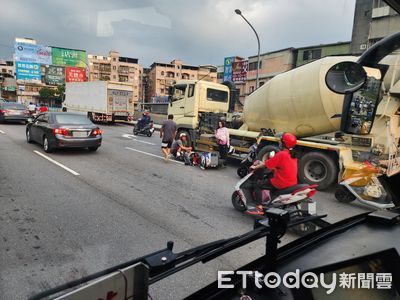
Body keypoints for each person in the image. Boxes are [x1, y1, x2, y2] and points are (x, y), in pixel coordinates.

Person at [247, 132, 298, 215]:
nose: (279, 142)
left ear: (284, 143)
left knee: (258, 185)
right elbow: (284, 167)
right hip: (292, 183)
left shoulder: (281, 154)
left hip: (282, 182)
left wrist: (254, 167)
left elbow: (265, 164)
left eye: (281, 141)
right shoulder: (293, 155)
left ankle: (259, 207)